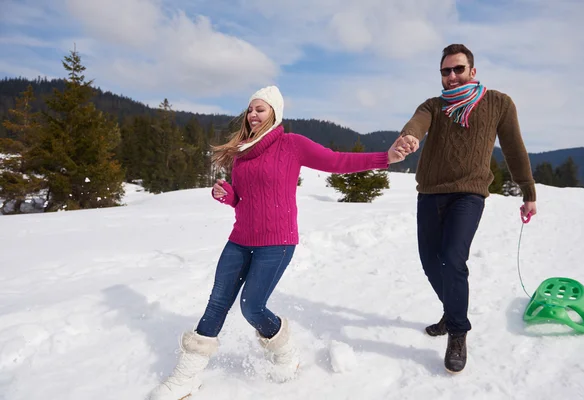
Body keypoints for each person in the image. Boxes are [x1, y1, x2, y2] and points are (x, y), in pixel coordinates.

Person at [148, 85, 408, 399]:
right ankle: (185, 379)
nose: (254, 114)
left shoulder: (291, 145)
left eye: (261, 109)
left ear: (275, 112)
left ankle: (285, 353)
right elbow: (244, 198)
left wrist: (386, 157)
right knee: (217, 303)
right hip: (240, 239)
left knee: (252, 306)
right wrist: (227, 195)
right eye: (251, 109)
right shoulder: (242, 153)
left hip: (277, 242)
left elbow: (337, 161)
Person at [394, 44, 537, 374]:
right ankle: (451, 310)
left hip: (469, 194)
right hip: (430, 193)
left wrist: (528, 191)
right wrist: (410, 138)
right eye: (446, 71)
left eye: (458, 69)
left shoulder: (499, 103)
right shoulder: (433, 106)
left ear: (473, 71)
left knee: (453, 257)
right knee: (431, 262)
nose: (452, 76)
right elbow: (417, 122)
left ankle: (458, 332)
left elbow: (514, 149)